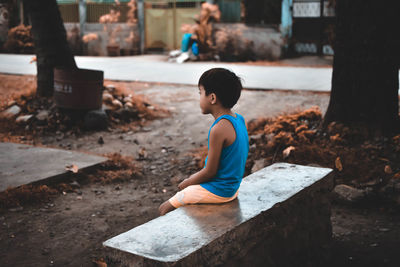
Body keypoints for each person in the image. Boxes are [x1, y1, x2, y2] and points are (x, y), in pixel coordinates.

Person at [159, 68, 249, 215]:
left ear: (212, 98)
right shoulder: (239, 119)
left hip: (220, 191)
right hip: (232, 188)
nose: (199, 97)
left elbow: (210, 172)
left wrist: (187, 183)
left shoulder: (218, 129)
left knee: (164, 208)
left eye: (200, 93)